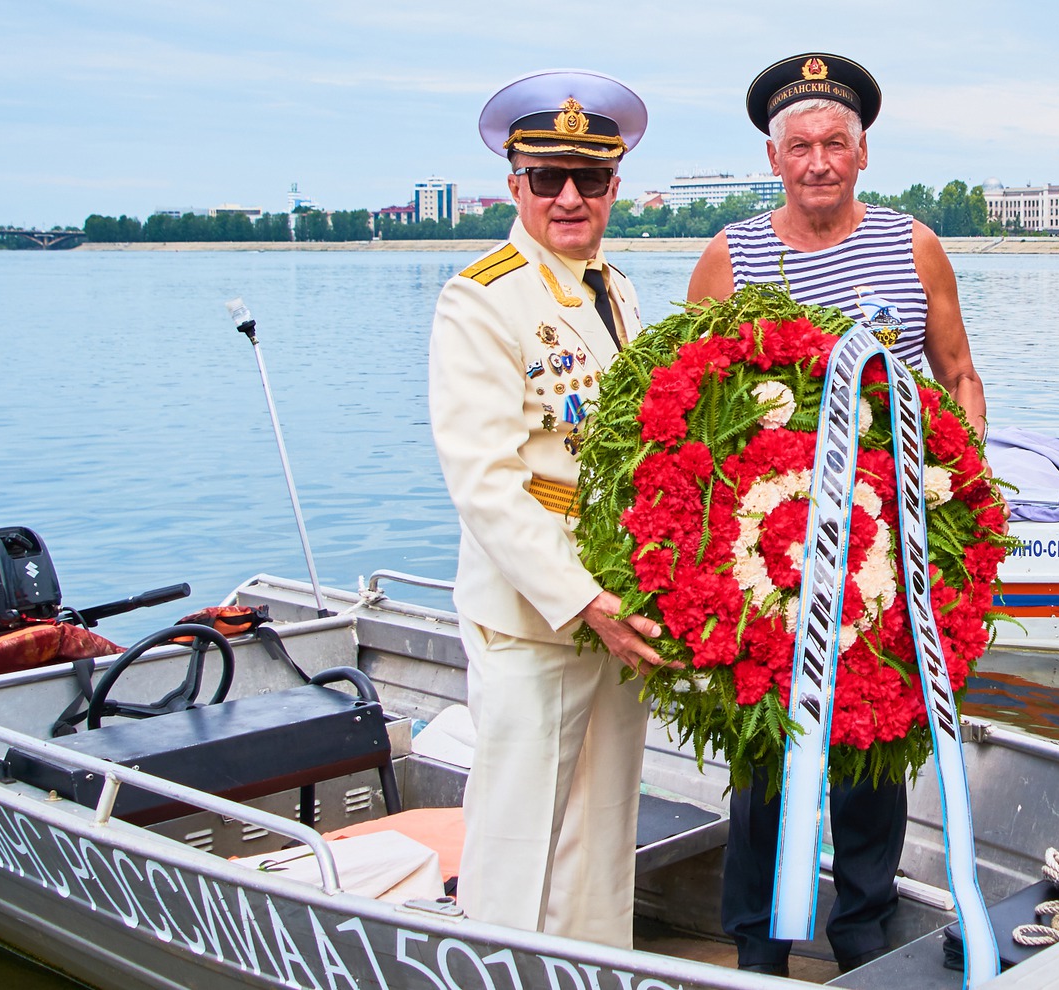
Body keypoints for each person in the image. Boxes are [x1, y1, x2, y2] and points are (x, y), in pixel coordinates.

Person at [687, 52, 988, 975]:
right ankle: (757, 949)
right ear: (772, 159)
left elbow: (958, 376)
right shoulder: (731, 256)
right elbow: (687, 400)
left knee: (872, 745)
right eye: (799, 146)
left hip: (889, 543)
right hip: (767, 559)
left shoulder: (912, 244)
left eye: (834, 144)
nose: (817, 161)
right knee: (767, 759)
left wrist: (962, 495)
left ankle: (862, 936)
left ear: (862, 154)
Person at [427, 69, 666, 949]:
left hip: (621, 606)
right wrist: (583, 601)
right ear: (514, 184)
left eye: (591, 178)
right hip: (541, 614)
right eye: (548, 179)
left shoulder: (616, 288)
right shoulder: (482, 297)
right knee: (518, 839)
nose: (570, 198)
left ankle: (593, 968)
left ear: (613, 186)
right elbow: (484, 479)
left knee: (601, 837)